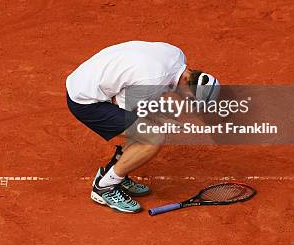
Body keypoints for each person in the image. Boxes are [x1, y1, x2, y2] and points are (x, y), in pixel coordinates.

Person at [65, 41, 219, 213]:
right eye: (190, 99)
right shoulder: (153, 80)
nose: (186, 101)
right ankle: (105, 187)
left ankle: (117, 170)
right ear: (186, 80)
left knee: (148, 126)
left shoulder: (177, 56)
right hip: (85, 100)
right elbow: (122, 107)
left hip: (90, 75)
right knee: (153, 138)